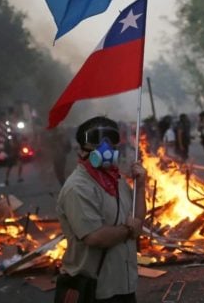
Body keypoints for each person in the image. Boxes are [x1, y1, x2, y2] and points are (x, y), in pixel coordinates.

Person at [56, 116, 146, 302]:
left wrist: (141, 186)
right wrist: (130, 229)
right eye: (98, 146)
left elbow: (137, 218)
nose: (107, 151)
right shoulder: (78, 188)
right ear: (82, 150)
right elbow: (95, 237)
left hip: (123, 283)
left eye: (111, 145)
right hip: (94, 289)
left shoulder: (117, 180)